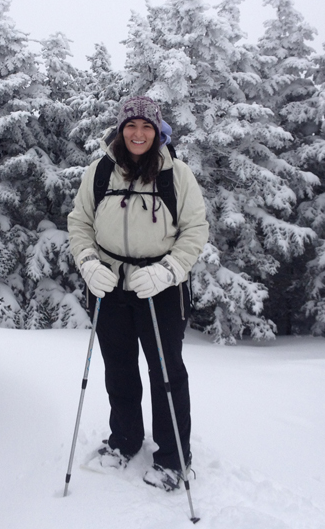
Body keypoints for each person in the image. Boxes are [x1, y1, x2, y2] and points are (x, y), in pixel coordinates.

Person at [67, 95, 209, 491]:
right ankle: (124, 441)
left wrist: (169, 271)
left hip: (161, 288)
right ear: (120, 129)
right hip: (109, 284)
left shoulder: (175, 173)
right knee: (120, 367)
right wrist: (88, 263)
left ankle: (173, 459)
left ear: (158, 131)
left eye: (147, 126)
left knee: (166, 374)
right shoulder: (100, 171)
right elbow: (79, 221)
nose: (139, 133)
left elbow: (196, 230)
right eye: (132, 125)